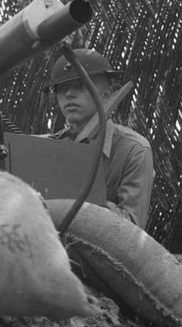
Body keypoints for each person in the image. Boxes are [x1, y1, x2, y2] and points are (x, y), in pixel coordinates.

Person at [42, 48, 154, 229]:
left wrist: (82, 195)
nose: (69, 94)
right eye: (62, 88)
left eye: (80, 85)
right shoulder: (44, 147)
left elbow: (133, 228)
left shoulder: (134, 149)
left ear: (106, 94)